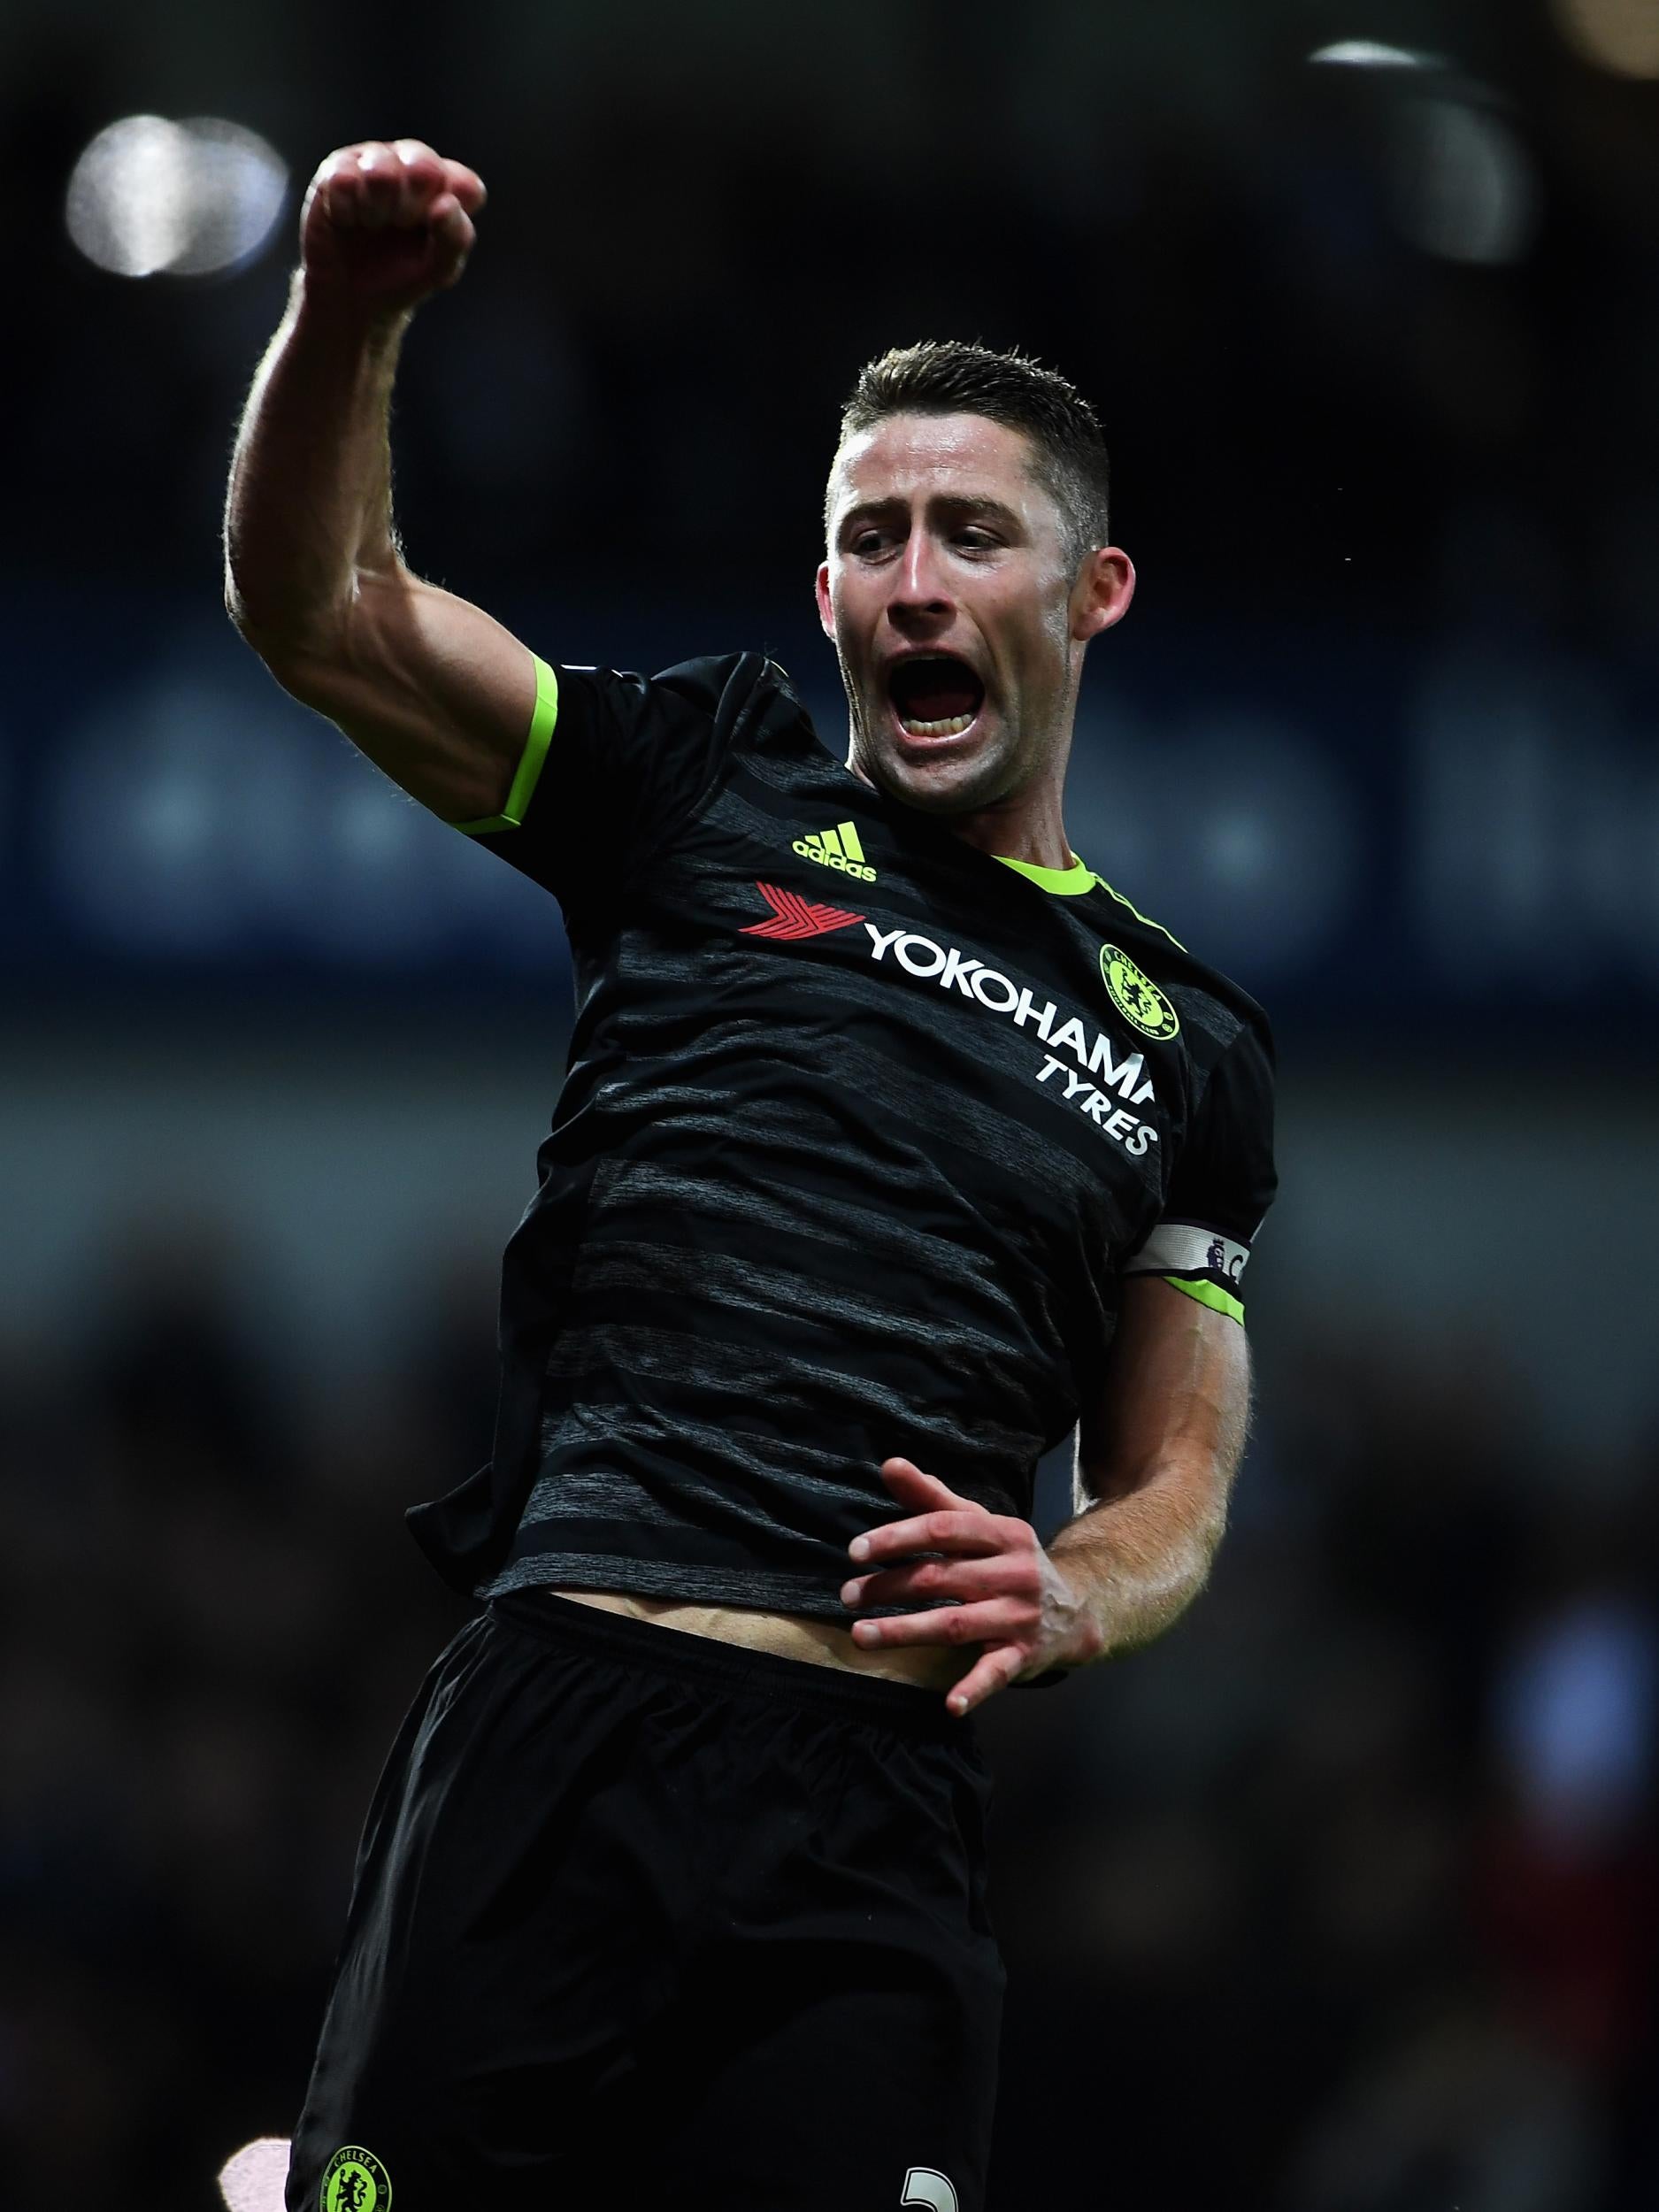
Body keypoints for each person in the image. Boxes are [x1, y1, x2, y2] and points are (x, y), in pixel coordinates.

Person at [225, 137, 1276, 2212]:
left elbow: (1177, 1483)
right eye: (868, 536)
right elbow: (323, 613)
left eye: (969, 534)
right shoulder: (701, 782)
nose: (912, 580)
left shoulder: (1190, 1044)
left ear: (1089, 592)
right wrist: (346, 316)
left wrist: (1072, 1587)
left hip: (867, 1815)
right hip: (567, 1725)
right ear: (822, 595)